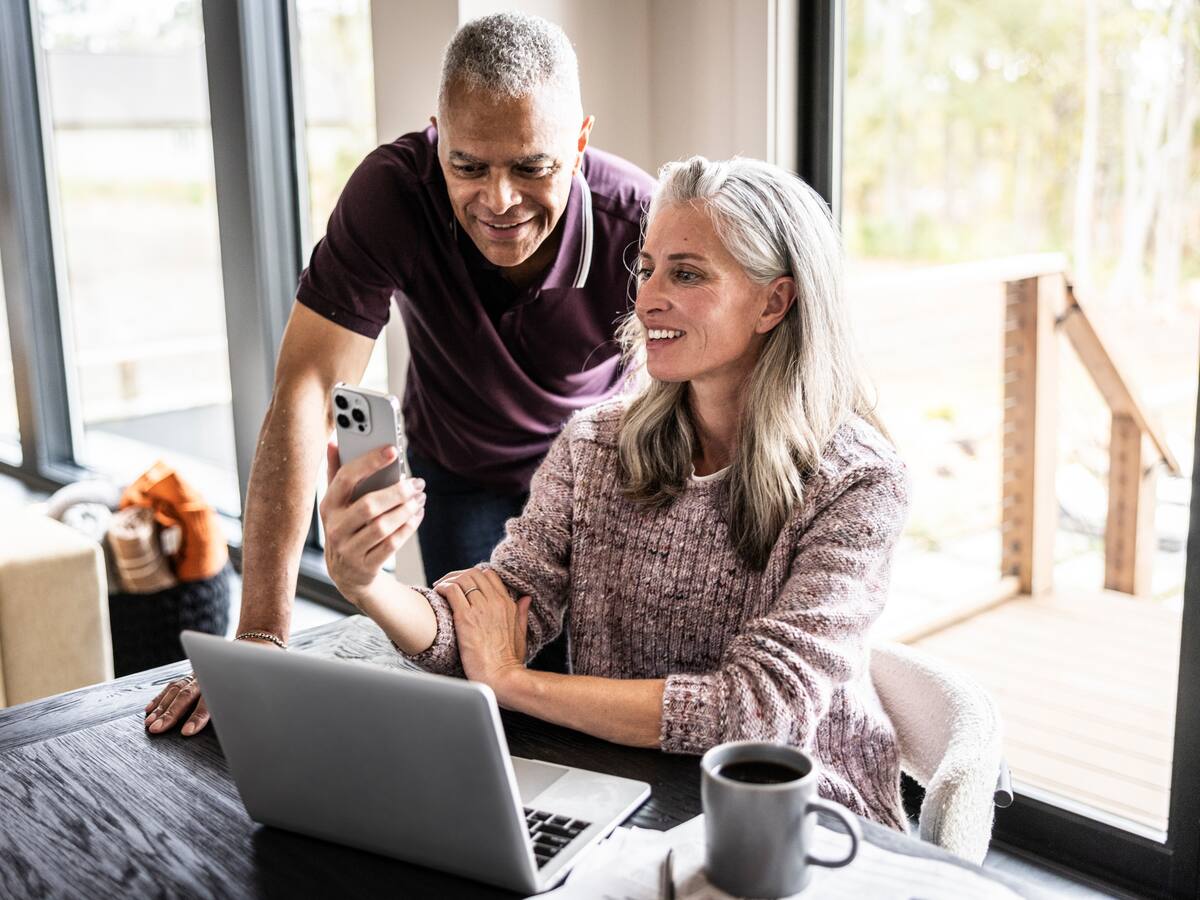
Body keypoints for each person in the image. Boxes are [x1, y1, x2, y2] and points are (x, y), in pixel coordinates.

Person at [322, 156, 911, 829]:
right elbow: (498, 620)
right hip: (620, 793)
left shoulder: (860, 481)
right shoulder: (595, 445)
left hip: (799, 818)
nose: (647, 296)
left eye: (686, 274)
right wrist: (367, 583)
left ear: (774, 302)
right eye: (647, 267)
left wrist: (515, 683)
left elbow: (757, 711)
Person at [143, 12, 654, 737]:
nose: (499, 201)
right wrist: (260, 638)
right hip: (463, 468)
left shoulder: (638, 223)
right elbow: (307, 387)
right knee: (480, 696)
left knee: (590, 690)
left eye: (532, 167)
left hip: (597, 479)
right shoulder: (393, 192)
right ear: (437, 136)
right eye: (468, 166)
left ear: (577, 143)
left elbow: (701, 390)